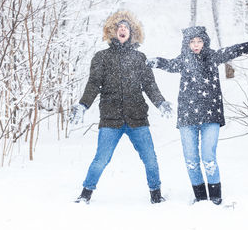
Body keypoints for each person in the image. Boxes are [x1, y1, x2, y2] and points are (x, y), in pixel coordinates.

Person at [146, 26, 248, 205]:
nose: (196, 45)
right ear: (187, 44)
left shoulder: (212, 56)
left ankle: (215, 197)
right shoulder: (184, 60)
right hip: (187, 117)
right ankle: (200, 197)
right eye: (192, 42)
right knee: (191, 160)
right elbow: (169, 64)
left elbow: (233, 50)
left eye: (199, 41)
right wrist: (156, 61)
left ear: (204, 42)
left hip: (210, 115)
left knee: (208, 157)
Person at [70, 10, 172, 204]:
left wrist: (160, 102)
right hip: (110, 119)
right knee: (101, 159)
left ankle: (156, 195)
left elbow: (149, 85)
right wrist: (83, 104)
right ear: (113, 32)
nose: (122, 29)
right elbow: (93, 84)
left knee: (150, 159)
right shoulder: (101, 57)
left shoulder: (140, 58)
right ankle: (85, 195)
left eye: (126, 27)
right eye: (119, 27)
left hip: (137, 118)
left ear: (132, 33)